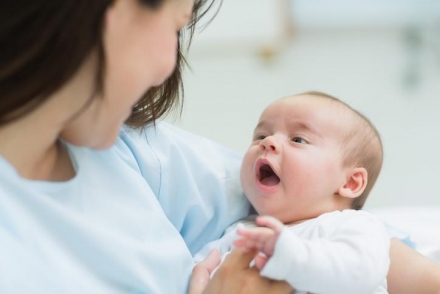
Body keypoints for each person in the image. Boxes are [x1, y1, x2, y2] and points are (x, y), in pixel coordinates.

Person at [0, 1, 439, 294]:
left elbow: (368, 250)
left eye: (298, 138)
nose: (168, 65)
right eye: (175, 28)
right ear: (117, 17)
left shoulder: (126, 148)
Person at [195, 92, 390, 293]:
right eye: (260, 136)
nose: (268, 141)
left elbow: (360, 271)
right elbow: (195, 273)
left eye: (298, 139)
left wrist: (292, 259)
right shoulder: (239, 232)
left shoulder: (352, 225)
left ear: (350, 182)